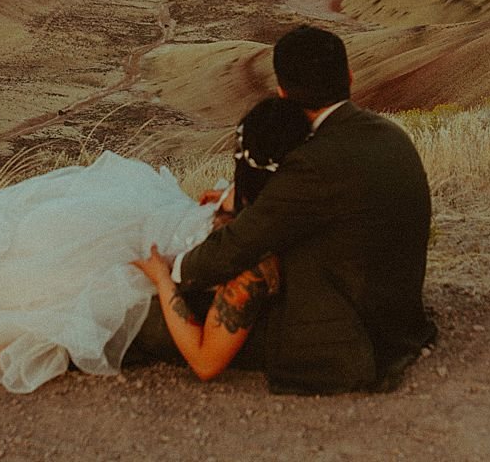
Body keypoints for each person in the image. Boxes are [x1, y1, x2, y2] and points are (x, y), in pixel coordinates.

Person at [0, 97, 312, 392]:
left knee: (105, 286)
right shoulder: (280, 192)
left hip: (179, 281)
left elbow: (206, 362)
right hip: (185, 231)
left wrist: (163, 281)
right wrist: (224, 201)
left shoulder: (256, 262)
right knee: (78, 226)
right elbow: (250, 200)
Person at [163, 24, 437, 395]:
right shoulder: (391, 135)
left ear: (282, 92)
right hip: (397, 324)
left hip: (344, 344)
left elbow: (235, 247)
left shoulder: (313, 162)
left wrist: (172, 269)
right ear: (350, 78)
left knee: (168, 316)